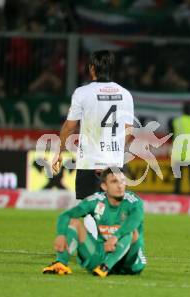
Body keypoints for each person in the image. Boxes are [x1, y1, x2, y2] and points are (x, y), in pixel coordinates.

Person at [52, 50, 134, 237]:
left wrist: (60, 150)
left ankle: (96, 250)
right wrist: (115, 151)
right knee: (112, 208)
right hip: (113, 162)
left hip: (89, 161)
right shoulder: (125, 94)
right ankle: (112, 247)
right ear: (112, 69)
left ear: (91, 68)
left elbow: (70, 127)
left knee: (88, 206)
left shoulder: (82, 93)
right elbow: (129, 129)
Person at [42, 168, 146, 277]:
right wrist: (61, 235)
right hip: (101, 256)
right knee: (74, 223)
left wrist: (115, 236)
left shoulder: (133, 201)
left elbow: (135, 220)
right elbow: (66, 215)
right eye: (114, 182)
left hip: (129, 263)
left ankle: (106, 266)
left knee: (131, 232)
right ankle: (61, 263)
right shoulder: (96, 201)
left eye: (122, 181)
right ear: (104, 186)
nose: (120, 186)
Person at [171, 102, 190, 195]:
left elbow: (173, 134)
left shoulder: (177, 121)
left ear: (183, 110)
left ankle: (176, 194)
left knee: (178, 177)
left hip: (179, 152)